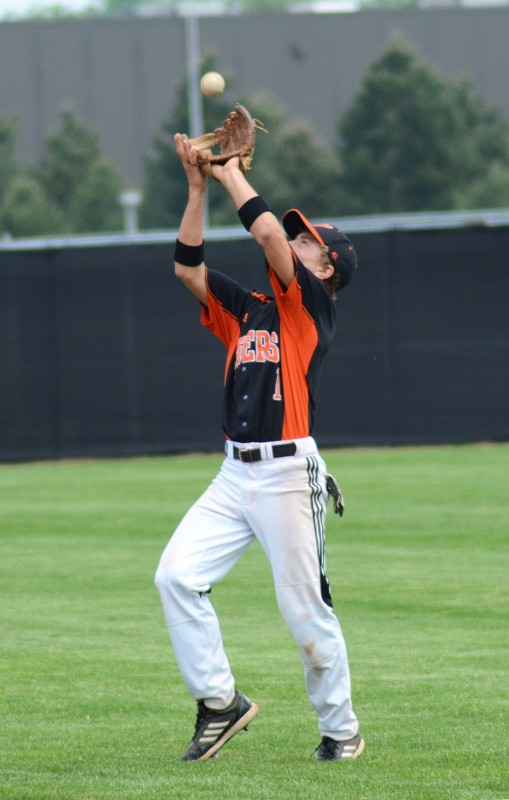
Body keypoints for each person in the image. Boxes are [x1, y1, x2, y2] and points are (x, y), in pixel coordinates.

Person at [154, 130, 364, 763]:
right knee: (176, 578)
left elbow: (268, 236)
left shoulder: (309, 309)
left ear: (325, 269)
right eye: (298, 235)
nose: (296, 240)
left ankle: (341, 728)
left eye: (309, 243)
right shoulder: (249, 310)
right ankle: (220, 703)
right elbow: (187, 268)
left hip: (286, 477)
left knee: (304, 614)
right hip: (232, 476)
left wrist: (229, 174)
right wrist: (197, 189)